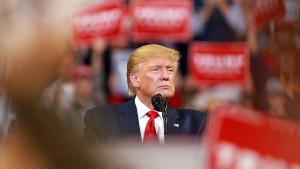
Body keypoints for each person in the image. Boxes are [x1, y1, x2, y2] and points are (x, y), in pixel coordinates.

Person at [83, 44, 207, 145]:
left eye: (170, 70)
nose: (166, 76)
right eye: (156, 69)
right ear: (135, 79)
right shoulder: (101, 121)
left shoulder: (196, 124)